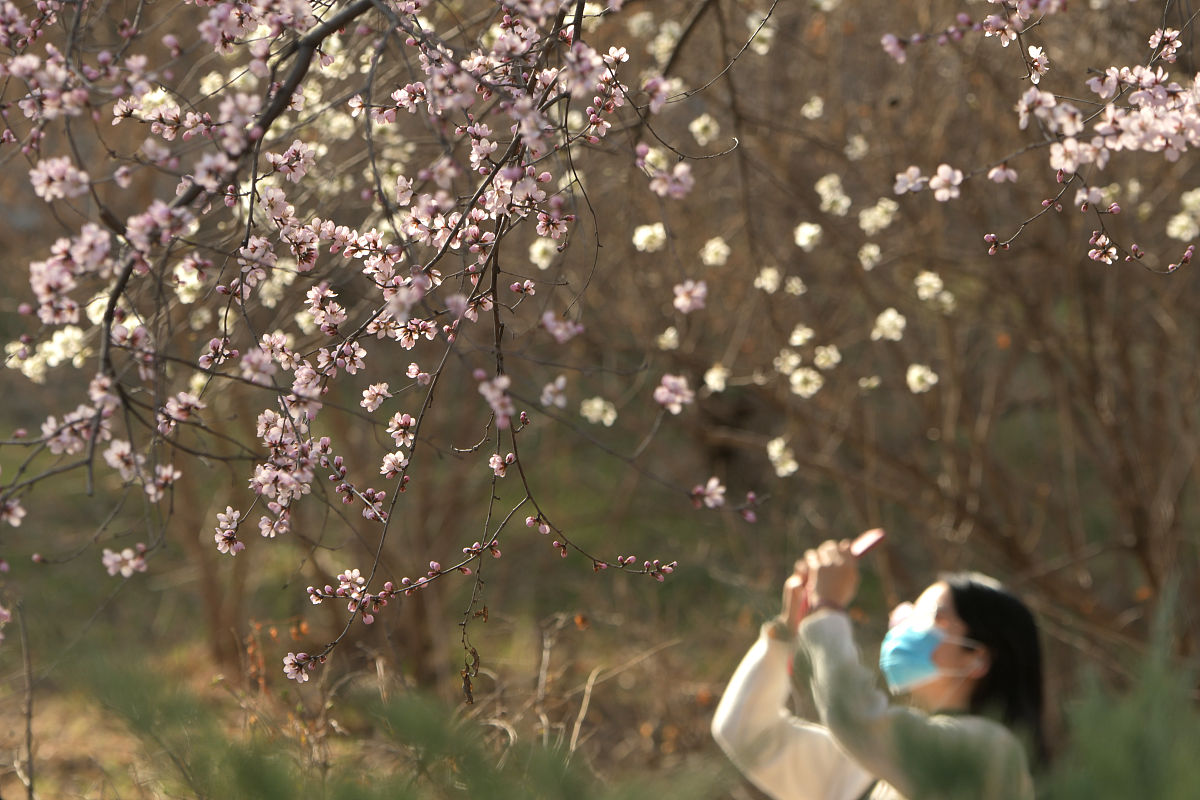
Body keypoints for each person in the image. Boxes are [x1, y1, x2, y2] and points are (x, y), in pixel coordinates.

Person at [711, 538, 1046, 800]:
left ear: (976, 658)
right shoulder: (864, 768)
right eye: (911, 610)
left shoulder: (992, 753)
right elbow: (744, 731)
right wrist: (787, 631)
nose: (906, 623)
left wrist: (828, 611)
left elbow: (852, 717)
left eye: (934, 617)